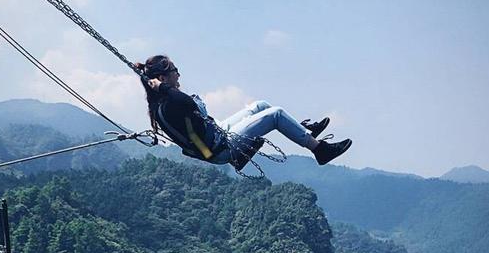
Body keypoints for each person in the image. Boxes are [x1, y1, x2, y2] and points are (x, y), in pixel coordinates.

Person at [137, 55, 352, 171]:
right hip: (220, 148)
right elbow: (184, 101)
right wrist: (162, 87)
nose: (179, 74)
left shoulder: (163, 102)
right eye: (174, 71)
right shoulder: (168, 104)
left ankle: (304, 130)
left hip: (216, 134)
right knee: (274, 114)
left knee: (260, 105)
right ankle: (320, 150)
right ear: (162, 79)